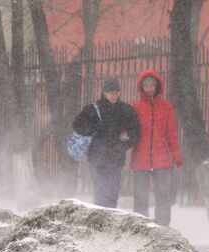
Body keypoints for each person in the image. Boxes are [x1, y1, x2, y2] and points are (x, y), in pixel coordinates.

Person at [73, 76, 140, 208]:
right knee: (100, 193)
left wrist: (123, 145)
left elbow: (135, 133)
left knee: (113, 194)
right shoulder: (92, 109)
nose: (114, 95)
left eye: (116, 92)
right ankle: (101, 223)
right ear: (104, 93)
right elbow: (77, 125)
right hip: (97, 158)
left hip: (115, 159)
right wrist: (93, 130)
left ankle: (109, 221)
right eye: (111, 93)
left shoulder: (125, 110)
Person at [129, 70, 182, 226]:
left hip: (162, 159)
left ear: (157, 85)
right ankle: (140, 227)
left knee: (163, 195)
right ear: (141, 87)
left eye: (152, 85)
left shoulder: (166, 107)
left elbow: (172, 133)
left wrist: (176, 154)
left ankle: (163, 227)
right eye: (146, 85)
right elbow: (130, 132)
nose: (150, 88)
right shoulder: (135, 107)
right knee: (140, 196)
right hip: (140, 159)